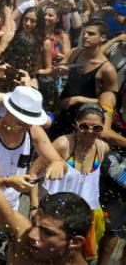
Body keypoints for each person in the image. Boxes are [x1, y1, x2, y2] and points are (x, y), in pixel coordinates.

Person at [0, 83, 92, 265]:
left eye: (29, 122)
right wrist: (9, 181)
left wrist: (57, 165)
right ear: (9, 112)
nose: (25, 126)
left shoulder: (32, 130)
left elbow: (57, 160)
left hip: (12, 210)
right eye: (21, 121)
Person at [30, 104, 109, 261]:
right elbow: (34, 172)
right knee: (39, 256)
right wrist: (34, 205)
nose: (90, 131)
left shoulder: (102, 149)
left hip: (77, 219)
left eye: (97, 128)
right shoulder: (63, 145)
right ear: (75, 124)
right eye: (84, 126)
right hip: (50, 215)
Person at [53, 19, 118, 137]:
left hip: (84, 124)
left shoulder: (107, 69)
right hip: (62, 112)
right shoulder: (74, 53)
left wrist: (79, 99)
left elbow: (110, 102)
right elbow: (56, 71)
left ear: (102, 38)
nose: (85, 36)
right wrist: (58, 70)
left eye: (91, 34)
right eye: (84, 33)